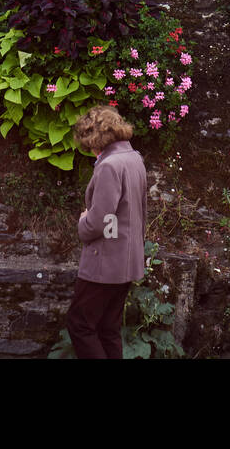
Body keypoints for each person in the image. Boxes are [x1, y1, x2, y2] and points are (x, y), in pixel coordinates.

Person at [66, 106, 148, 359]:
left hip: (105, 263)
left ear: (93, 137)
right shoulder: (134, 158)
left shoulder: (109, 166)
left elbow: (100, 221)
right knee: (108, 328)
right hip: (126, 260)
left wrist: (83, 221)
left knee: (79, 324)